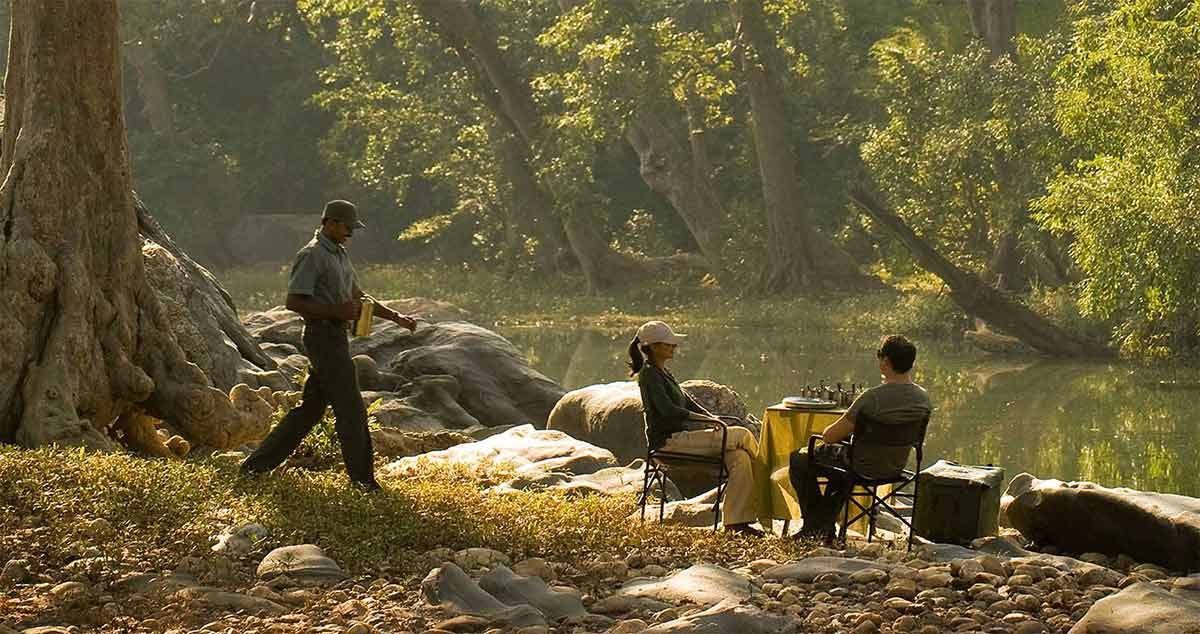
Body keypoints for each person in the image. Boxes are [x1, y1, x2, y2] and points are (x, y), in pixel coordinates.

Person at [241, 200, 417, 490]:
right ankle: (364, 483)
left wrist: (396, 317)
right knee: (352, 410)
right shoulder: (311, 255)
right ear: (331, 223)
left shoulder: (339, 255)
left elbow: (358, 295)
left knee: (309, 411)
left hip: (336, 337)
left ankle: (254, 467)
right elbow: (294, 301)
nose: (351, 233)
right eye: (348, 228)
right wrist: (335, 311)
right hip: (321, 337)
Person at [788, 334, 932, 540]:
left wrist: (826, 433)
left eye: (879, 356)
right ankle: (823, 526)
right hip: (895, 466)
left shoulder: (871, 398)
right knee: (839, 467)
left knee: (800, 458)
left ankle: (815, 525)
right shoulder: (923, 398)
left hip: (860, 465)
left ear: (886, 362)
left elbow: (830, 436)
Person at [630, 320, 764, 536]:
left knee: (740, 458)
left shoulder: (664, 372)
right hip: (669, 443)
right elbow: (668, 410)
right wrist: (708, 423)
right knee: (742, 434)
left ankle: (735, 523)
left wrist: (711, 417)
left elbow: (688, 401)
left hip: (683, 438)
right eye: (668, 344)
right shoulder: (649, 374)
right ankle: (768, 480)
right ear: (654, 346)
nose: (673, 347)